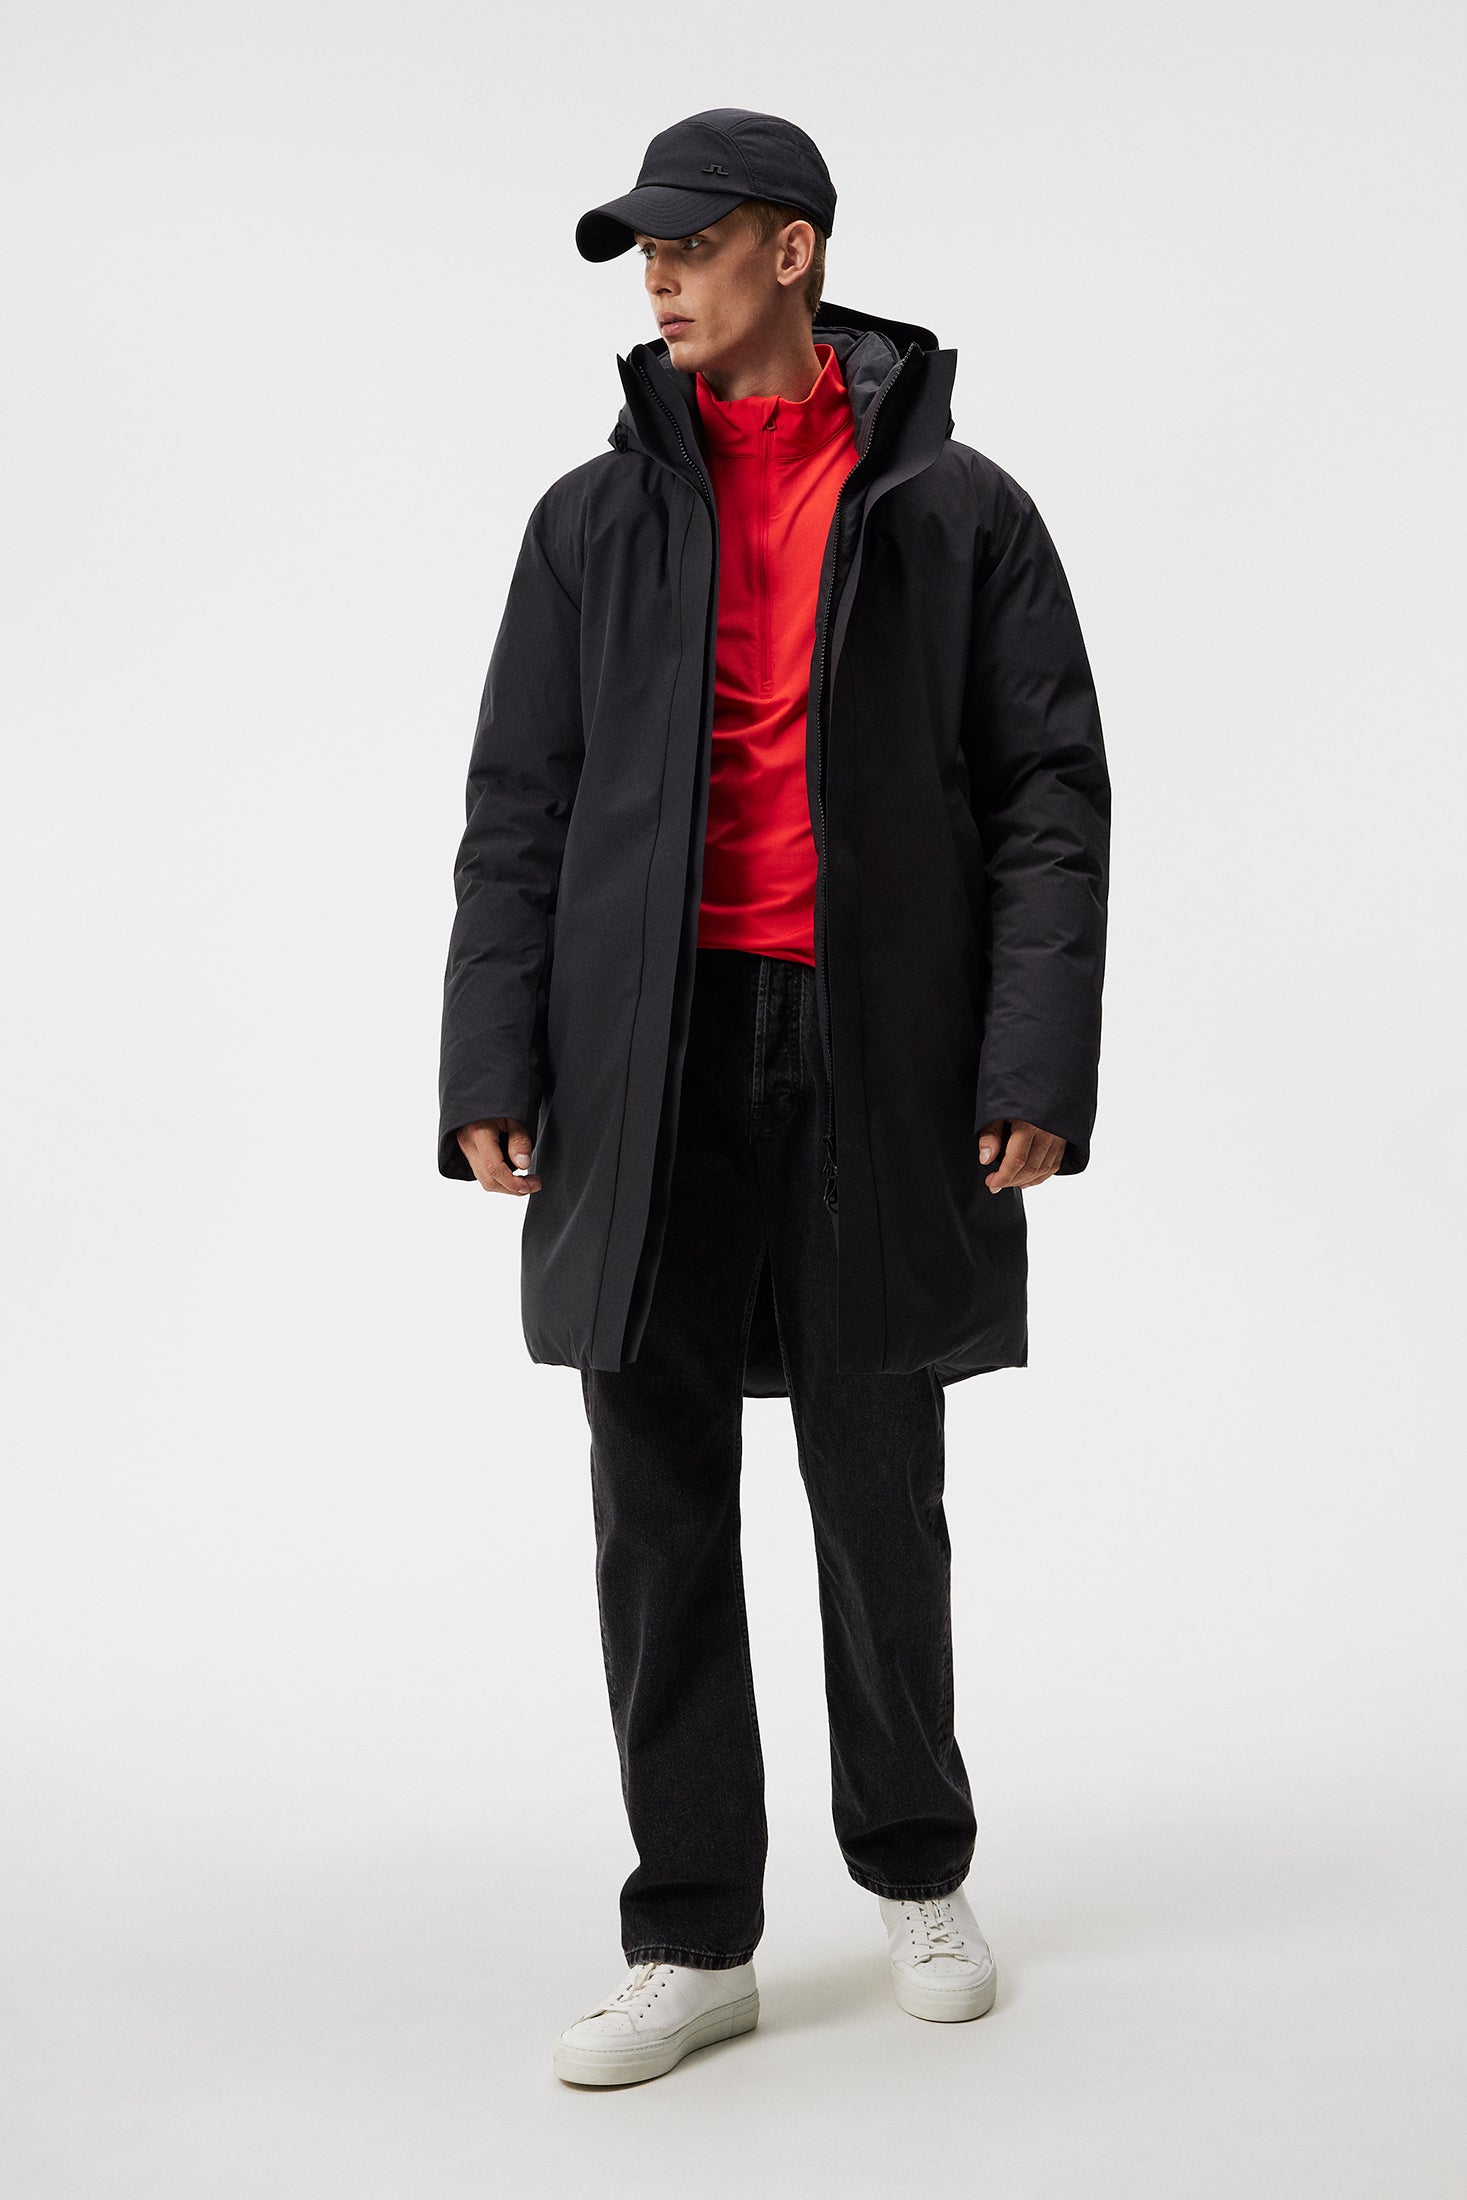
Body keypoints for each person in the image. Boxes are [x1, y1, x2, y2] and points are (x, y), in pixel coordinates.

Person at [437, 107, 1110, 2088]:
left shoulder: (957, 510)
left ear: (789, 251)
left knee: (874, 1481)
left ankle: (914, 1864)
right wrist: (490, 1057)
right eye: (639, 249)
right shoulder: (589, 522)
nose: (657, 274)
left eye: (690, 240)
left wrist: (1030, 1060)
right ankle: (688, 1933)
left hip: (872, 1050)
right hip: (641, 1054)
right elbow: (518, 808)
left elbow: (1048, 801)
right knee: (651, 1496)